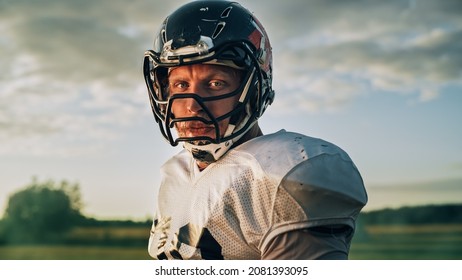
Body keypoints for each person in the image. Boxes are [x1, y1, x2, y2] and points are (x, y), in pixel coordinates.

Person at [143, 0, 367, 260]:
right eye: (181, 85)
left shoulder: (286, 173)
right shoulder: (175, 173)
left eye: (215, 83)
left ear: (254, 91)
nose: (192, 105)